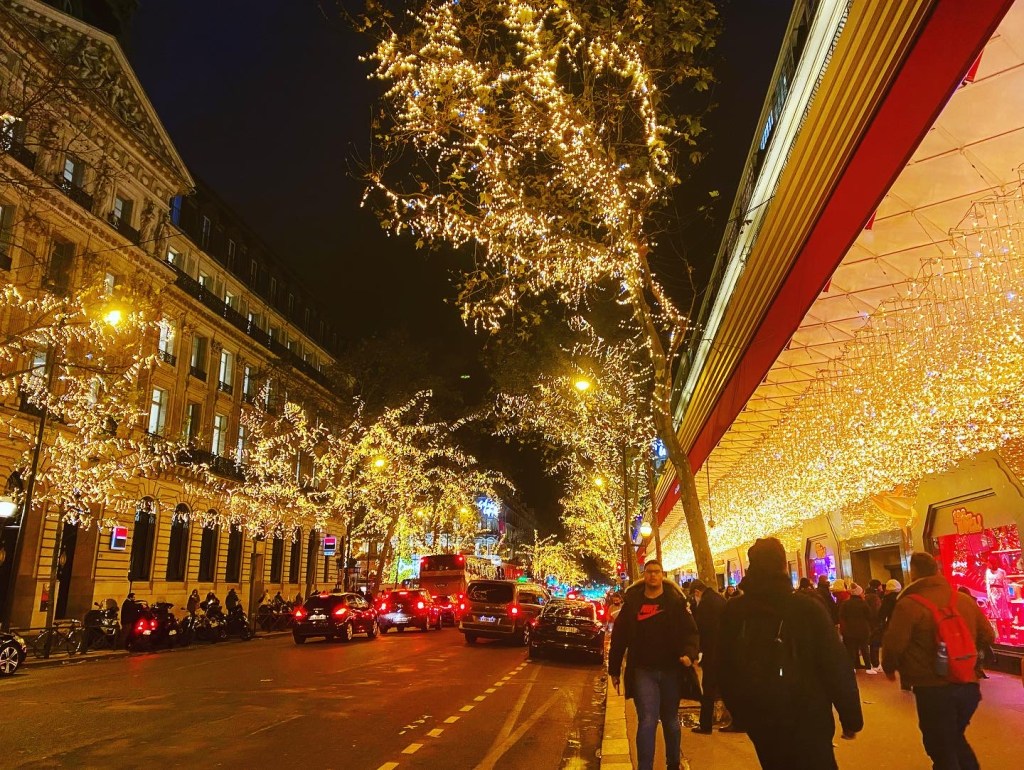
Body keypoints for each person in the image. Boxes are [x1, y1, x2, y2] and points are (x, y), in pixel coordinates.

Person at [719, 538, 863, 769]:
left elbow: (723, 666)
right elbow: (835, 664)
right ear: (783, 566)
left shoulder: (735, 611)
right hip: (808, 715)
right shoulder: (807, 608)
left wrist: (741, 712)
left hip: (761, 716)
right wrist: (851, 717)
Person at [882, 552, 995, 770]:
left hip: (932, 687)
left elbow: (895, 644)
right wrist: (966, 651)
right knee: (953, 737)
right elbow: (988, 636)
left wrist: (889, 667)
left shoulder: (909, 605)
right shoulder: (962, 600)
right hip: (968, 684)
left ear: (913, 573)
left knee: (940, 745)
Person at [608, 559, 700, 770]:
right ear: (644, 575)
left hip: (671, 670)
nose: (653, 576)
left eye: (657, 572)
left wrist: (689, 653)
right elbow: (619, 637)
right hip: (643, 670)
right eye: (649, 572)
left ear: (662, 575)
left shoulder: (675, 602)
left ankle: (673, 764)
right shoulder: (633, 603)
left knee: (670, 720)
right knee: (647, 720)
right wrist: (614, 670)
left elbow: (690, 632)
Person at [689, 579, 728, 735]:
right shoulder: (719, 599)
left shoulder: (705, 604)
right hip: (724, 650)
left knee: (708, 688)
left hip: (712, 652)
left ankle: (705, 725)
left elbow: (701, 629)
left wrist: (697, 652)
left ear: (697, 592)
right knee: (726, 687)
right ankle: (739, 721)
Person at [839, 584, 873, 672]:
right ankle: (868, 667)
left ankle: (852, 667)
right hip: (863, 630)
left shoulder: (845, 604)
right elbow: (869, 616)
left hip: (849, 630)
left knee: (851, 650)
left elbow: (841, 616)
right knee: (864, 648)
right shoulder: (863, 603)